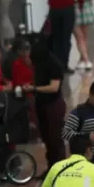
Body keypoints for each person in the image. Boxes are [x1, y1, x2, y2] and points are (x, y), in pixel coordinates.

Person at [25, 43, 67, 175]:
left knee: (55, 139)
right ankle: (51, 168)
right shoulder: (40, 65)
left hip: (53, 106)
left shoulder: (54, 65)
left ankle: (60, 169)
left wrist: (34, 89)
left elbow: (54, 87)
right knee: (47, 138)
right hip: (42, 105)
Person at [39, 0, 88, 72]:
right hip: (68, 10)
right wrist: (81, 5)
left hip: (54, 11)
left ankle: (56, 65)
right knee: (66, 39)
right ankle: (64, 65)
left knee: (56, 39)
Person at [73, 0, 94, 70]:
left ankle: (83, 60)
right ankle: (85, 60)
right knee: (79, 36)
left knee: (83, 37)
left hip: (83, 9)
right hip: (74, 9)